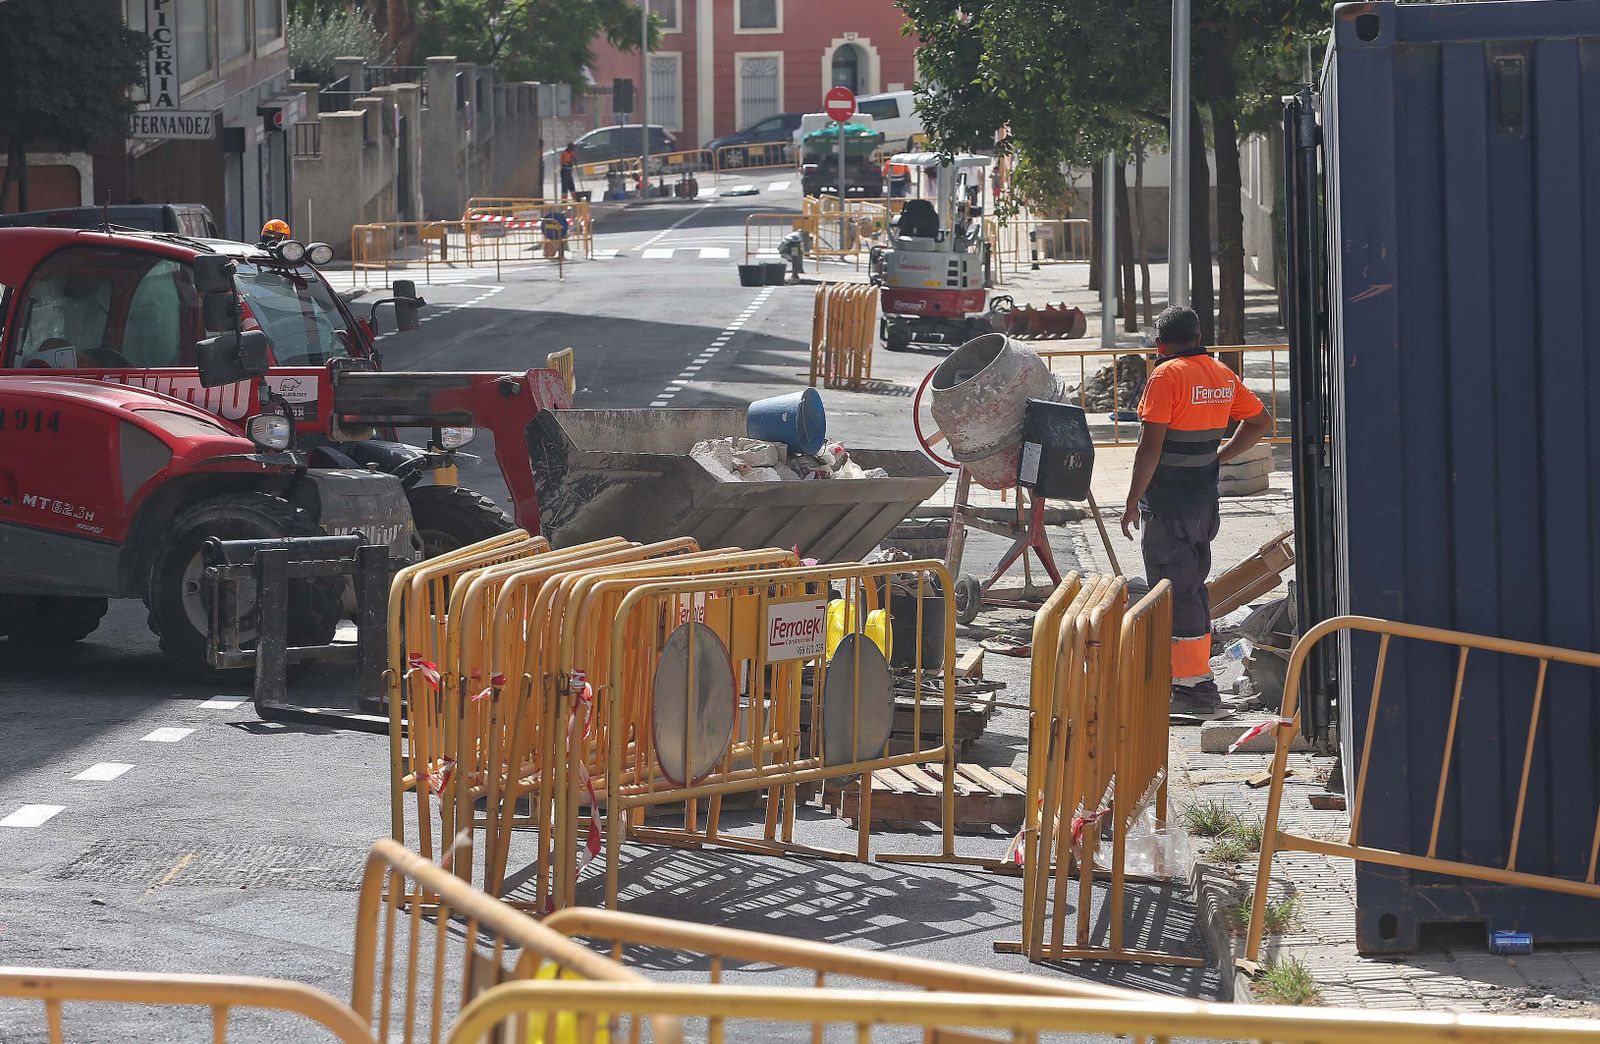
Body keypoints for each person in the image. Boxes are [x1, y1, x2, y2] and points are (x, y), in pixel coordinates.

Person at [1120, 305, 1273, 717]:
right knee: (1193, 588)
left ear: (1159, 344)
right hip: (1203, 502)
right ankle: (1193, 682)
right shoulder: (1220, 373)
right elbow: (1260, 421)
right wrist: (1218, 456)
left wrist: (1132, 500)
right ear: (1198, 334)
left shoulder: (1165, 376)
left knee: (1175, 591)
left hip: (1169, 503)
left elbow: (1150, 447)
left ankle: (1193, 692)